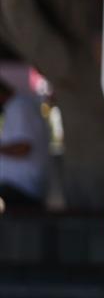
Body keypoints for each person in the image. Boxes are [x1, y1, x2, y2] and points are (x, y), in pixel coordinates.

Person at [0, 76, 50, 210]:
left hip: (22, 190)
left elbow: (23, 148)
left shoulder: (19, 107)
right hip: (16, 189)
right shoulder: (15, 107)